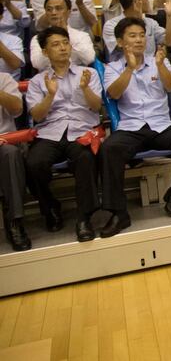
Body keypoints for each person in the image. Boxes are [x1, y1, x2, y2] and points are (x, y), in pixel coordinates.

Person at [99, 18, 171, 237]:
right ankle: (119, 213)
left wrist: (159, 66)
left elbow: (169, 87)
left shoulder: (159, 61)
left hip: (160, 125)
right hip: (131, 127)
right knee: (109, 149)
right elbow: (114, 94)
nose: (139, 40)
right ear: (120, 42)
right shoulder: (112, 68)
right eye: (132, 36)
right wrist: (129, 69)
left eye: (142, 35)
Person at [25, 27, 102, 242]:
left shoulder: (89, 74)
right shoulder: (37, 82)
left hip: (82, 131)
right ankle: (50, 208)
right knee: (33, 163)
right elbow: (38, 116)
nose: (62, 48)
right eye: (55, 44)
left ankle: (84, 218)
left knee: (85, 159)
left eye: (65, 43)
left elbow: (97, 107)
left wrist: (86, 89)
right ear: (45, 52)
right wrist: (50, 95)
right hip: (50, 132)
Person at [103, 0, 171, 59]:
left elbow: (170, 41)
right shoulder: (111, 25)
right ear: (136, 1)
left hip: (150, 68)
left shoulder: (151, 23)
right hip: (124, 69)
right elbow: (122, 47)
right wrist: (137, 18)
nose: (148, 1)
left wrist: (169, 16)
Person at [30, 0, 95, 70]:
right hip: (49, 78)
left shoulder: (82, 36)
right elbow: (37, 64)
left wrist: (67, 36)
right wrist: (48, 41)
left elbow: (89, 59)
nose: (53, 13)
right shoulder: (37, 38)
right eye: (49, 9)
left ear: (68, 12)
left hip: (78, 78)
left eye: (58, 8)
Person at [0, 71, 26, 250]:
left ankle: (14, 222)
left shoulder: (4, 79)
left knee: (11, 154)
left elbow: (17, 109)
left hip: (3, 141)